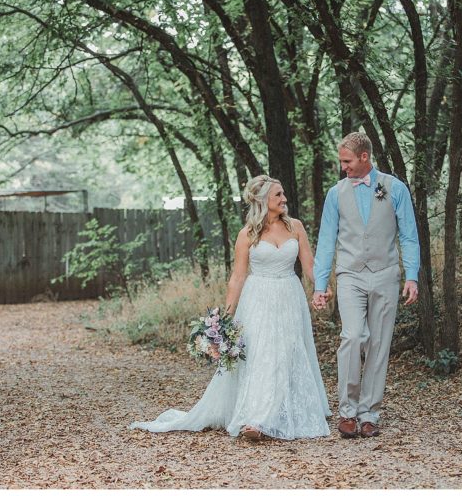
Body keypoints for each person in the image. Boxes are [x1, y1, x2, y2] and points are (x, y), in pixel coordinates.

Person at [131, 176, 331, 441]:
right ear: (262, 201)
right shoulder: (247, 234)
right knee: (261, 356)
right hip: (257, 299)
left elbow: (310, 267)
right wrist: (223, 317)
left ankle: (280, 411)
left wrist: (322, 287)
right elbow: (237, 277)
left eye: (283, 194)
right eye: (278, 196)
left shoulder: (296, 227)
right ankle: (256, 420)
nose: (284, 199)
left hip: (289, 298)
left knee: (286, 353)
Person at [312, 132, 420, 438]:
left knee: (379, 343)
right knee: (353, 335)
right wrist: (320, 284)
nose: (343, 167)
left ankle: (370, 413)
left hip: (386, 274)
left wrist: (411, 276)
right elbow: (326, 241)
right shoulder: (336, 194)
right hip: (350, 275)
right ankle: (347, 410)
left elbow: (409, 236)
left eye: (347, 161)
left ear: (364, 157)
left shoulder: (394, 188)